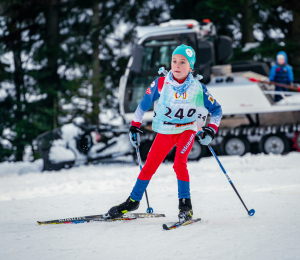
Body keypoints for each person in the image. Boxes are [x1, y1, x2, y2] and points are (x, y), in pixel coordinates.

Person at [107, 44, 222, 221]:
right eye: (174, 61)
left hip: (187, 130)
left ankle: (186, 206)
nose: (177, 65)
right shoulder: (161, 83)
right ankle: (133, 201)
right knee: (149, 166)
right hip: (166, 129)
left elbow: (217, 110)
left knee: (179, 164)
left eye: (183, 62)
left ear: (191, 67)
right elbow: (143, 105)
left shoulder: (198, 88)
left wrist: (211, 129)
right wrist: (134, 126)